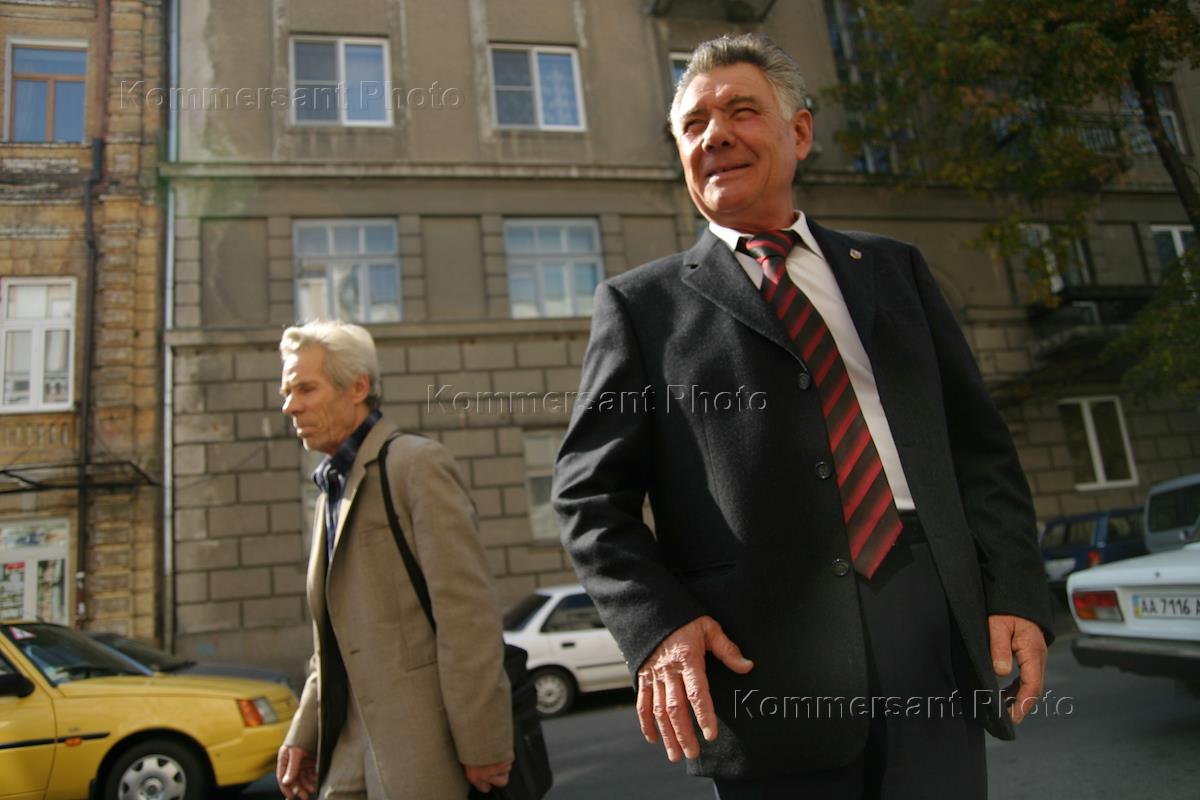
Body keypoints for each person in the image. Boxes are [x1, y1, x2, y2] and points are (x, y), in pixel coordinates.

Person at [553, 33, 1053, 799]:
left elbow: (978, 450)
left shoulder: (895, 270)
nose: (714, 135)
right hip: (761, 658)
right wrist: (657, 624)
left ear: (801, 132)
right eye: (693, 125)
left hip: (930, 621)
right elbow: (589, 497)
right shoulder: (640, 306)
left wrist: (1014, 586)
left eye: (741, 111)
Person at [274, 320, 513, 800]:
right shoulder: (329, 492)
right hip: (349, 749)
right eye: (287, 392)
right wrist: (304, 733)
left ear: (358, 387)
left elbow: (466, 615)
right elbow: (335, 638)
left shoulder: (415, 464)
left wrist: (483, 741)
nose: (290, 406)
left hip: (425, 746)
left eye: (306, 388)